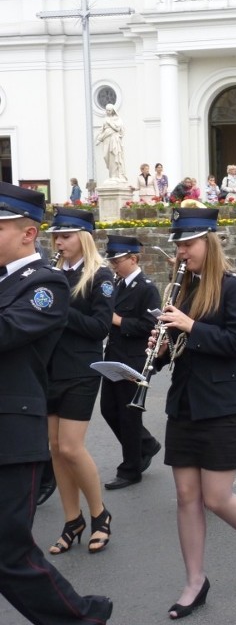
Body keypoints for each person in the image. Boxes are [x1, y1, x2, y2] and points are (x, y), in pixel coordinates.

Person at [0, 182, 114, 624]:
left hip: (12, 428)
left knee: (8, 550)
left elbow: (7, 333)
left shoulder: (45, 283)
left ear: (28, 233)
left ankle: (82, 617)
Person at [151, 205, 236, 618]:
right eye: (179, 245)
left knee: (217, 497)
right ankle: (195, 581)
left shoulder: (235, 287)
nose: (182, 252)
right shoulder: (181, 288)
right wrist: (161, 349)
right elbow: (180, 348)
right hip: (184, 402)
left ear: (209, 242)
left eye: (188, 244)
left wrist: (189, 327)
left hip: (224, 405)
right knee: (186, 496)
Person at [46, 207, 114, 555]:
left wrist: (60, 310)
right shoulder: (50, 274)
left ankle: (100, 515)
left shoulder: (99, 276)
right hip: (49, 370)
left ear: (83, 238)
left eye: (66, 235)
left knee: (71, 446)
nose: (59, 241)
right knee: (56, 450)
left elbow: (100, 328)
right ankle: (72, 520)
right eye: (56, 235)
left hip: (81, 370)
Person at [100, 235, 162, 489]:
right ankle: (145, 445)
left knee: (128, 416)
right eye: (112, 260)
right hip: (114, 355)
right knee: (108, 409)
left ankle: (130, 469)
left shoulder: (146, 287)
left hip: (134, 358)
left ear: (133, 258)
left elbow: (151, 325)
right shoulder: (118, 284)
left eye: (118, 260)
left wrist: (118, 321)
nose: (114, 264)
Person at [95, 103, 126, 180]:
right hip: (106, 140)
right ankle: (111, 175)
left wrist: (110, 123)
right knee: (106, 156)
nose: (108, 112)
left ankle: (115, 175)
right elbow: (102, 130)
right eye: (107, 110)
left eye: (109, 110)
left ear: (112, 111)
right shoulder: (105, 120)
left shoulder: (117, 119)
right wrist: (98, 138)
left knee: (114, 156)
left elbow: (118, 129)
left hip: (114, 139)